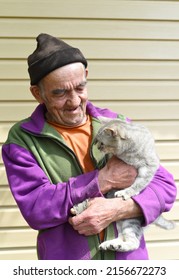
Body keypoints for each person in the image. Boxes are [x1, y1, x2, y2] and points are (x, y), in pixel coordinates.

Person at [2, 33, 176, 260]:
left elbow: (164, 187)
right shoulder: (23, 139)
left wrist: (117, 209)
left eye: (80, 88)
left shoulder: (116, 125)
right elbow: (36, 208)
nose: (74, 102)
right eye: (60, 92)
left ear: (86, 76)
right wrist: (103, 180)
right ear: (38, 93)